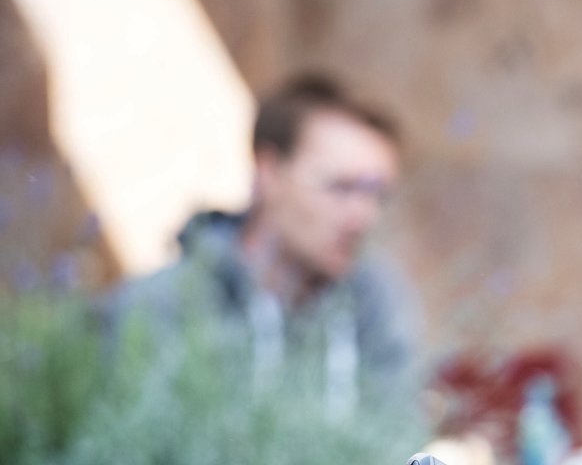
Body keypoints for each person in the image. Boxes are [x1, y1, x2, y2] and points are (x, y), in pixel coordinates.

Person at [116, 72, 419, 414]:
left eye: (377, 195)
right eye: (340, 187)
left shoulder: (372, 304)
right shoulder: (163, 307)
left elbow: (397, 433)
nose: (364, 217)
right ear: (268, 172)